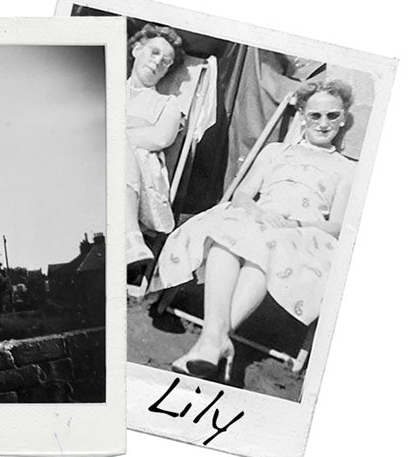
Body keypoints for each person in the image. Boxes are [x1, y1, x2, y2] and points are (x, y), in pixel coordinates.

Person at [149, 81, 356, 382]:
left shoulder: (346, 168)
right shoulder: (276, 151)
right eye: (315, 115)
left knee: (265, 248)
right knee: (225, 239)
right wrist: (260, 213)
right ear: (301, 115)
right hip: (259, 216)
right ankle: (215, 342)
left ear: (343, 118)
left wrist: (295, 224)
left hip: (303, 231)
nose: (323, 123)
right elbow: (243, 195)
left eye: (332, 115)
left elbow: (337, 225)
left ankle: (210, 342)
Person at [125, 24, 186, 267]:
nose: (159, 62)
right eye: (154, 52)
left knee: (117, 145)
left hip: (144, 183)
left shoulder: (168, 103)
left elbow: (160, 138)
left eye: (167, 62)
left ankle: (130, 239)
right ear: (136, 49)